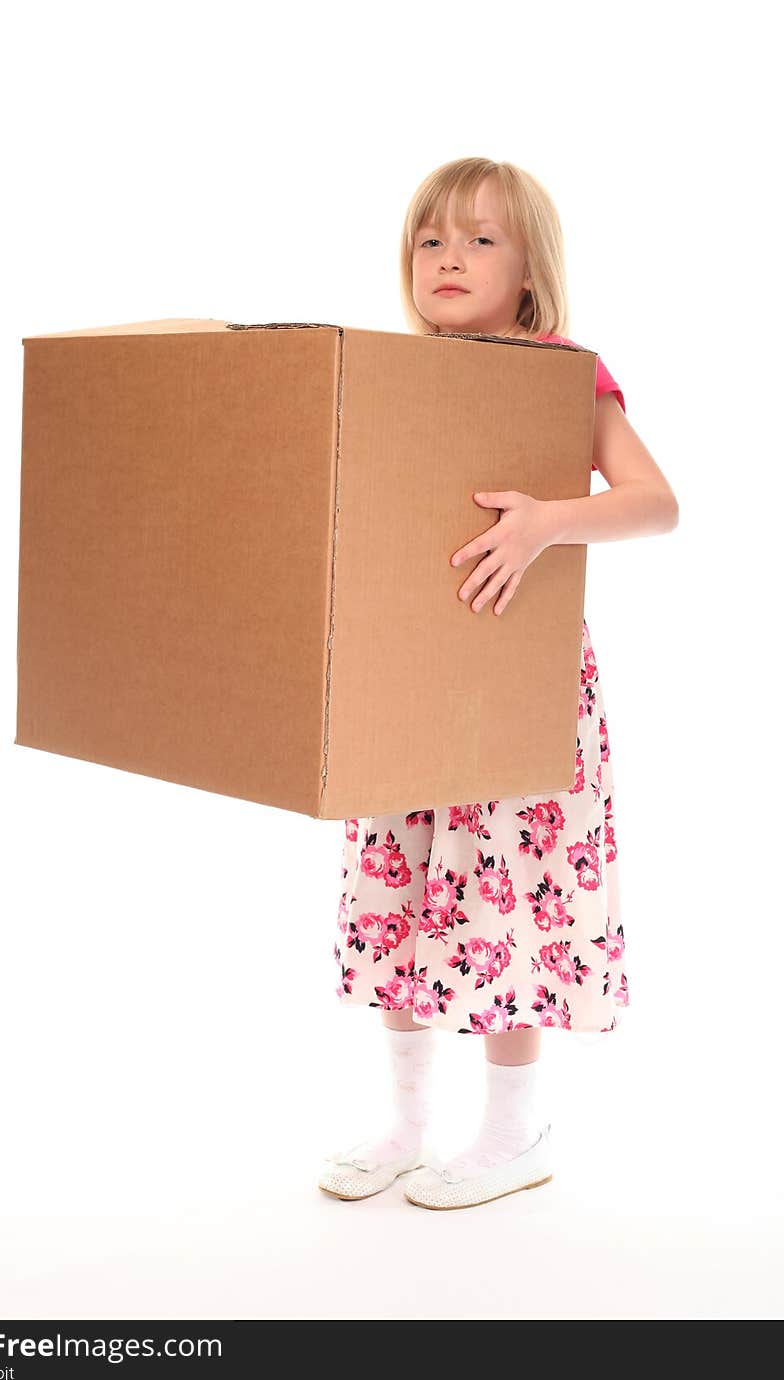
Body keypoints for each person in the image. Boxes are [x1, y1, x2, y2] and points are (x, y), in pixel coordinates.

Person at [318, 156, 679, 1211]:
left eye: (480, 239)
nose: (448, 258)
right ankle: (404, 1121)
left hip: (517, 681)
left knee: (502, 894)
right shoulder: (387, 370)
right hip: (405, 673)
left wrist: (546, 521)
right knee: (403, 886)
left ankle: (514, 1130)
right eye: (430, 238)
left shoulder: (560, 371)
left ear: (528, 273)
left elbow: (657, 502)